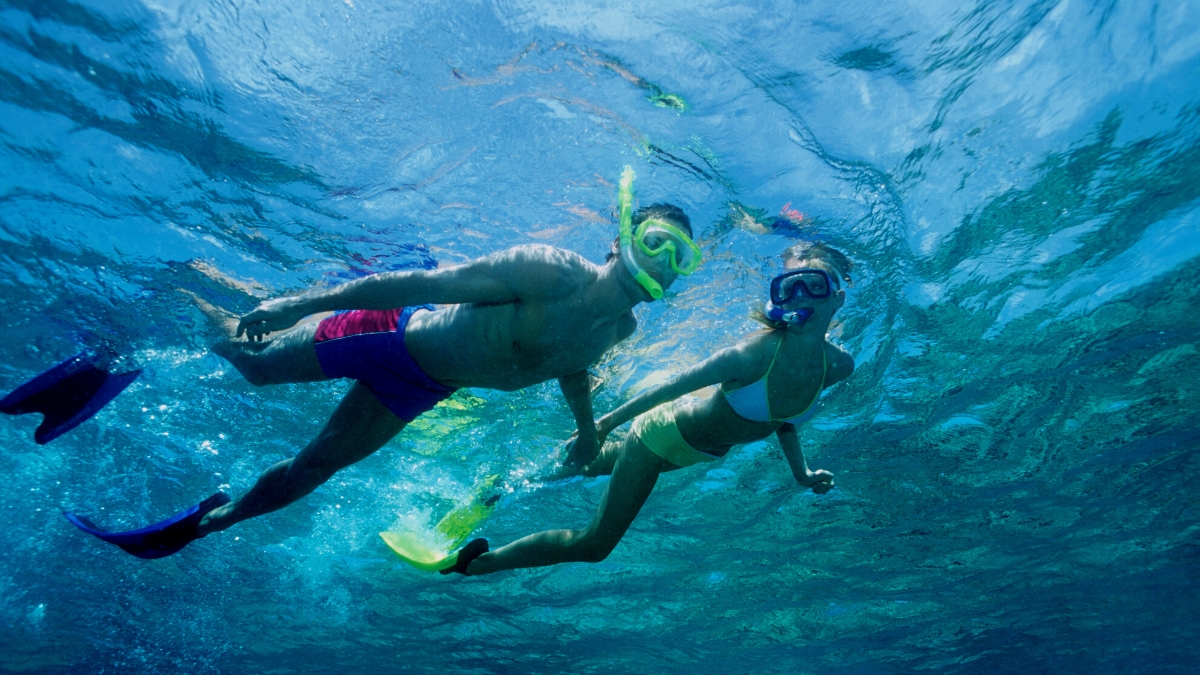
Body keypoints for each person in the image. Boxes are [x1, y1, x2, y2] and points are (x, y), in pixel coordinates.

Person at [65, 169, 704, 559]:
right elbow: (415, 284)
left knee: (316, 468)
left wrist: (587, 430)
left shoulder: (620, 328)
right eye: (657, 243)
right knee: (251, 363)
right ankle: (186, 288)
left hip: (421, 387)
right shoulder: (549, 271)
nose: (663, 263)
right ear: (622, 238)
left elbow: (571, 366)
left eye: (681, 259)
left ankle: (209, 523)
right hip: (388, 335)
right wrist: (299, 304)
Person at [446, 242, 854, 576]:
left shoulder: (837, 367)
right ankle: (478, 564)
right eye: (789, 287)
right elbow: (671, 387)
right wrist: (604, 423)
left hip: (691, 453)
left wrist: (801, 473)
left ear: (837, 299)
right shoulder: (751, 355)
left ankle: (502, 487)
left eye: (813, 286)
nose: (800, 296)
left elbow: (783, 419)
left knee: (581, 467)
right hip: (658, 437)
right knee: (595, 546)